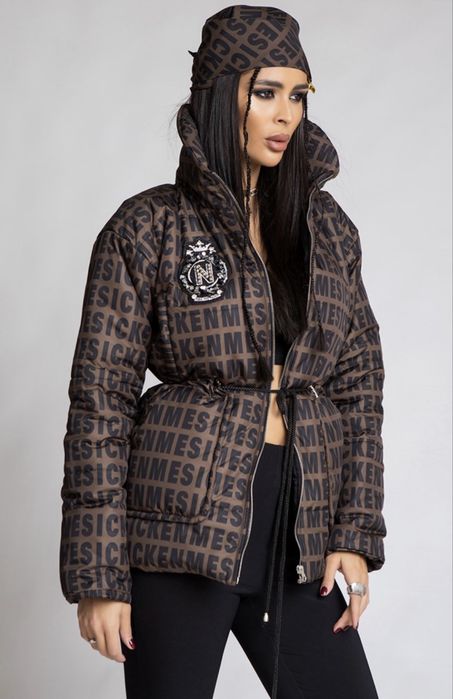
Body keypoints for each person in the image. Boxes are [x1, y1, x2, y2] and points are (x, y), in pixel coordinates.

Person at [58, 5, 387, 698]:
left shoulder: (327, 231)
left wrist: (353, 532)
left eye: (298, 95)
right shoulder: (149, 226)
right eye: (265, 92)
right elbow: (100, 401)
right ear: (219, 96)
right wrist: (99, 576)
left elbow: (359, 386)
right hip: (178, 530)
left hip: (297, 526)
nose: (285, 114)